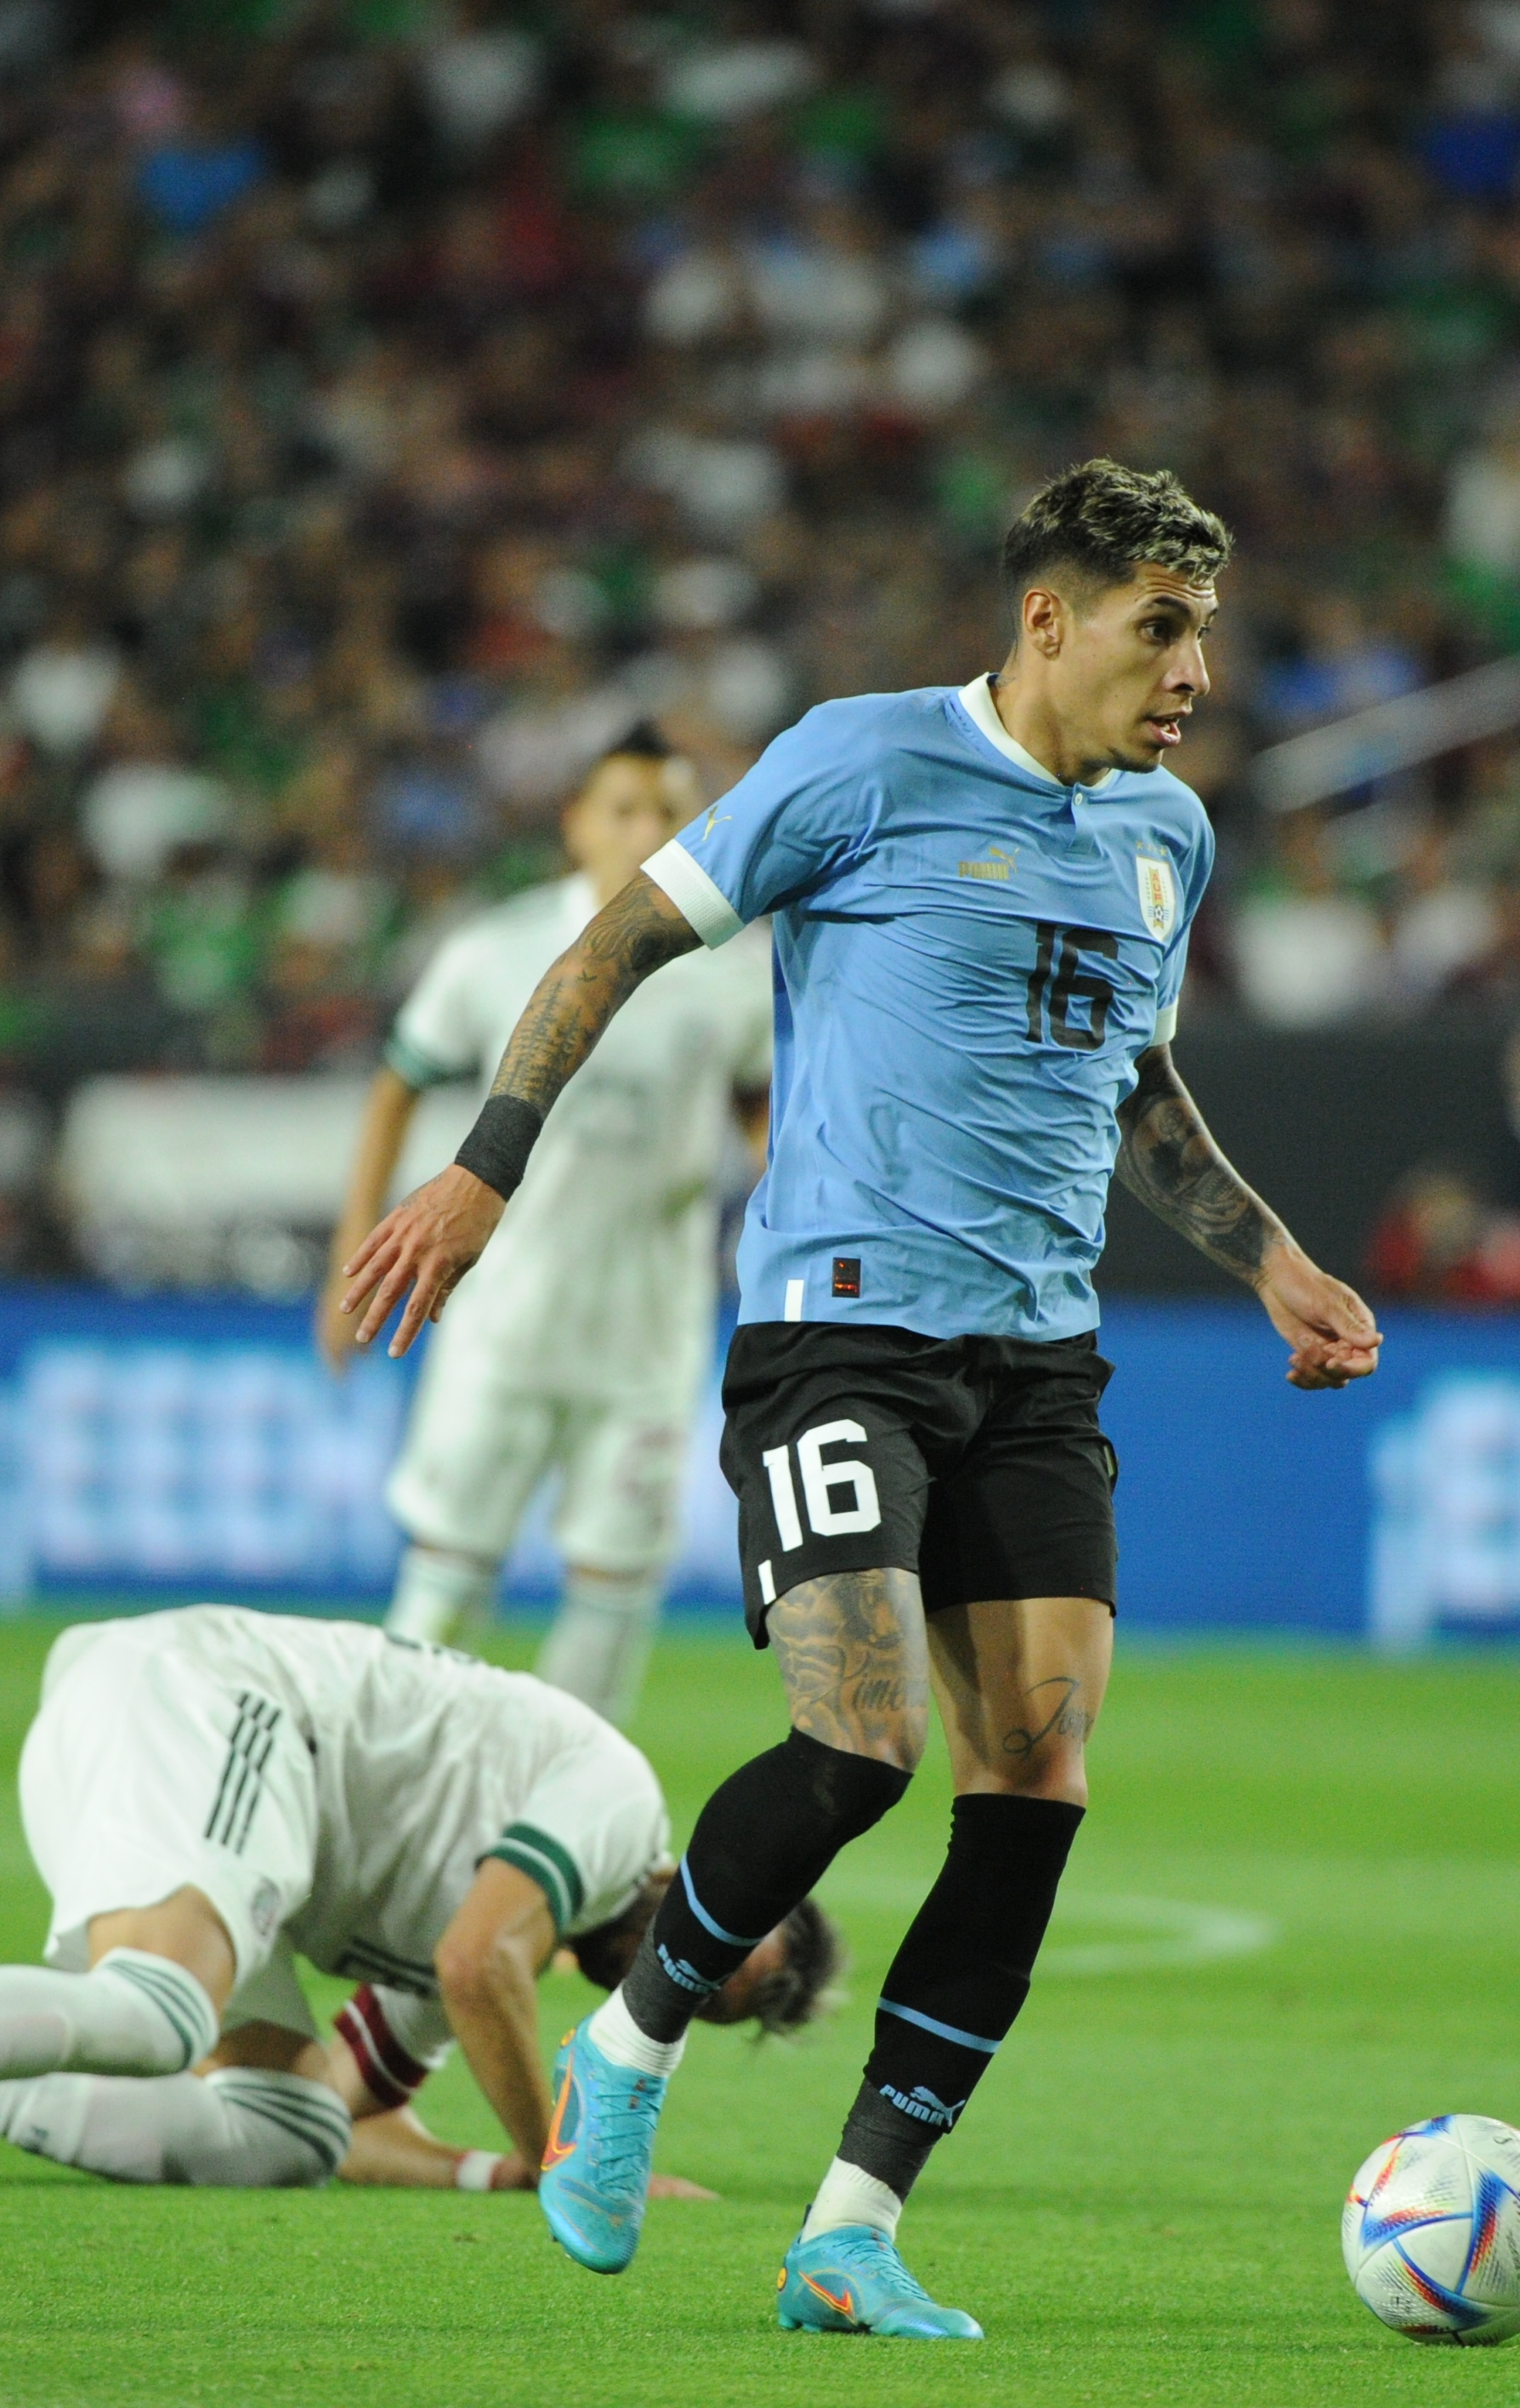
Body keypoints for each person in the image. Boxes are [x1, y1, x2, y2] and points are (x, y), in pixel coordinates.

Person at [343, 459, 1383, 2338]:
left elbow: (1130, 1077)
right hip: (839, 1333)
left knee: (1038, 1779)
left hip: (1039, 1361)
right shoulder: (858, 763)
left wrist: (1269, 1257)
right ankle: (632, 2048)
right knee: (858, 1746)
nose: (1192, 675)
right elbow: (612, 944)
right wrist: (483, 1163)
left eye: (1206, 636)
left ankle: (849, 2230)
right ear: (1048, 621)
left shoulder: (1166, 834)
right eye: (1163, 630)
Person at [0, 1604, 838, 2189]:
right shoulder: (614, 1809)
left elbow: (364, 2117)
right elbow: (478, 1968)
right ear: (708, 1880)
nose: (676, 1980)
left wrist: (502, 2173)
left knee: (287, 2129)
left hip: (196, 1773)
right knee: (161, 2015)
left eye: (704, 2003)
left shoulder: (523, 1933)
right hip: (227, 1709)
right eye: (713, 1944)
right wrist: (576, 2166)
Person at [319, 724, 772, 1724]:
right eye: (625, 810)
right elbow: (396, 1085)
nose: (648, 830)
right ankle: (379, 1796)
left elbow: (759, 1108)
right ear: (574, 824)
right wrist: (349, 1255)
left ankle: (548, 1831)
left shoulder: (735, 969)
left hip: (648, 1336)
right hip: (498, 1325)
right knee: (442, 1589)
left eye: (670, 811)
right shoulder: (495, 952)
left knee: (612, 1605)